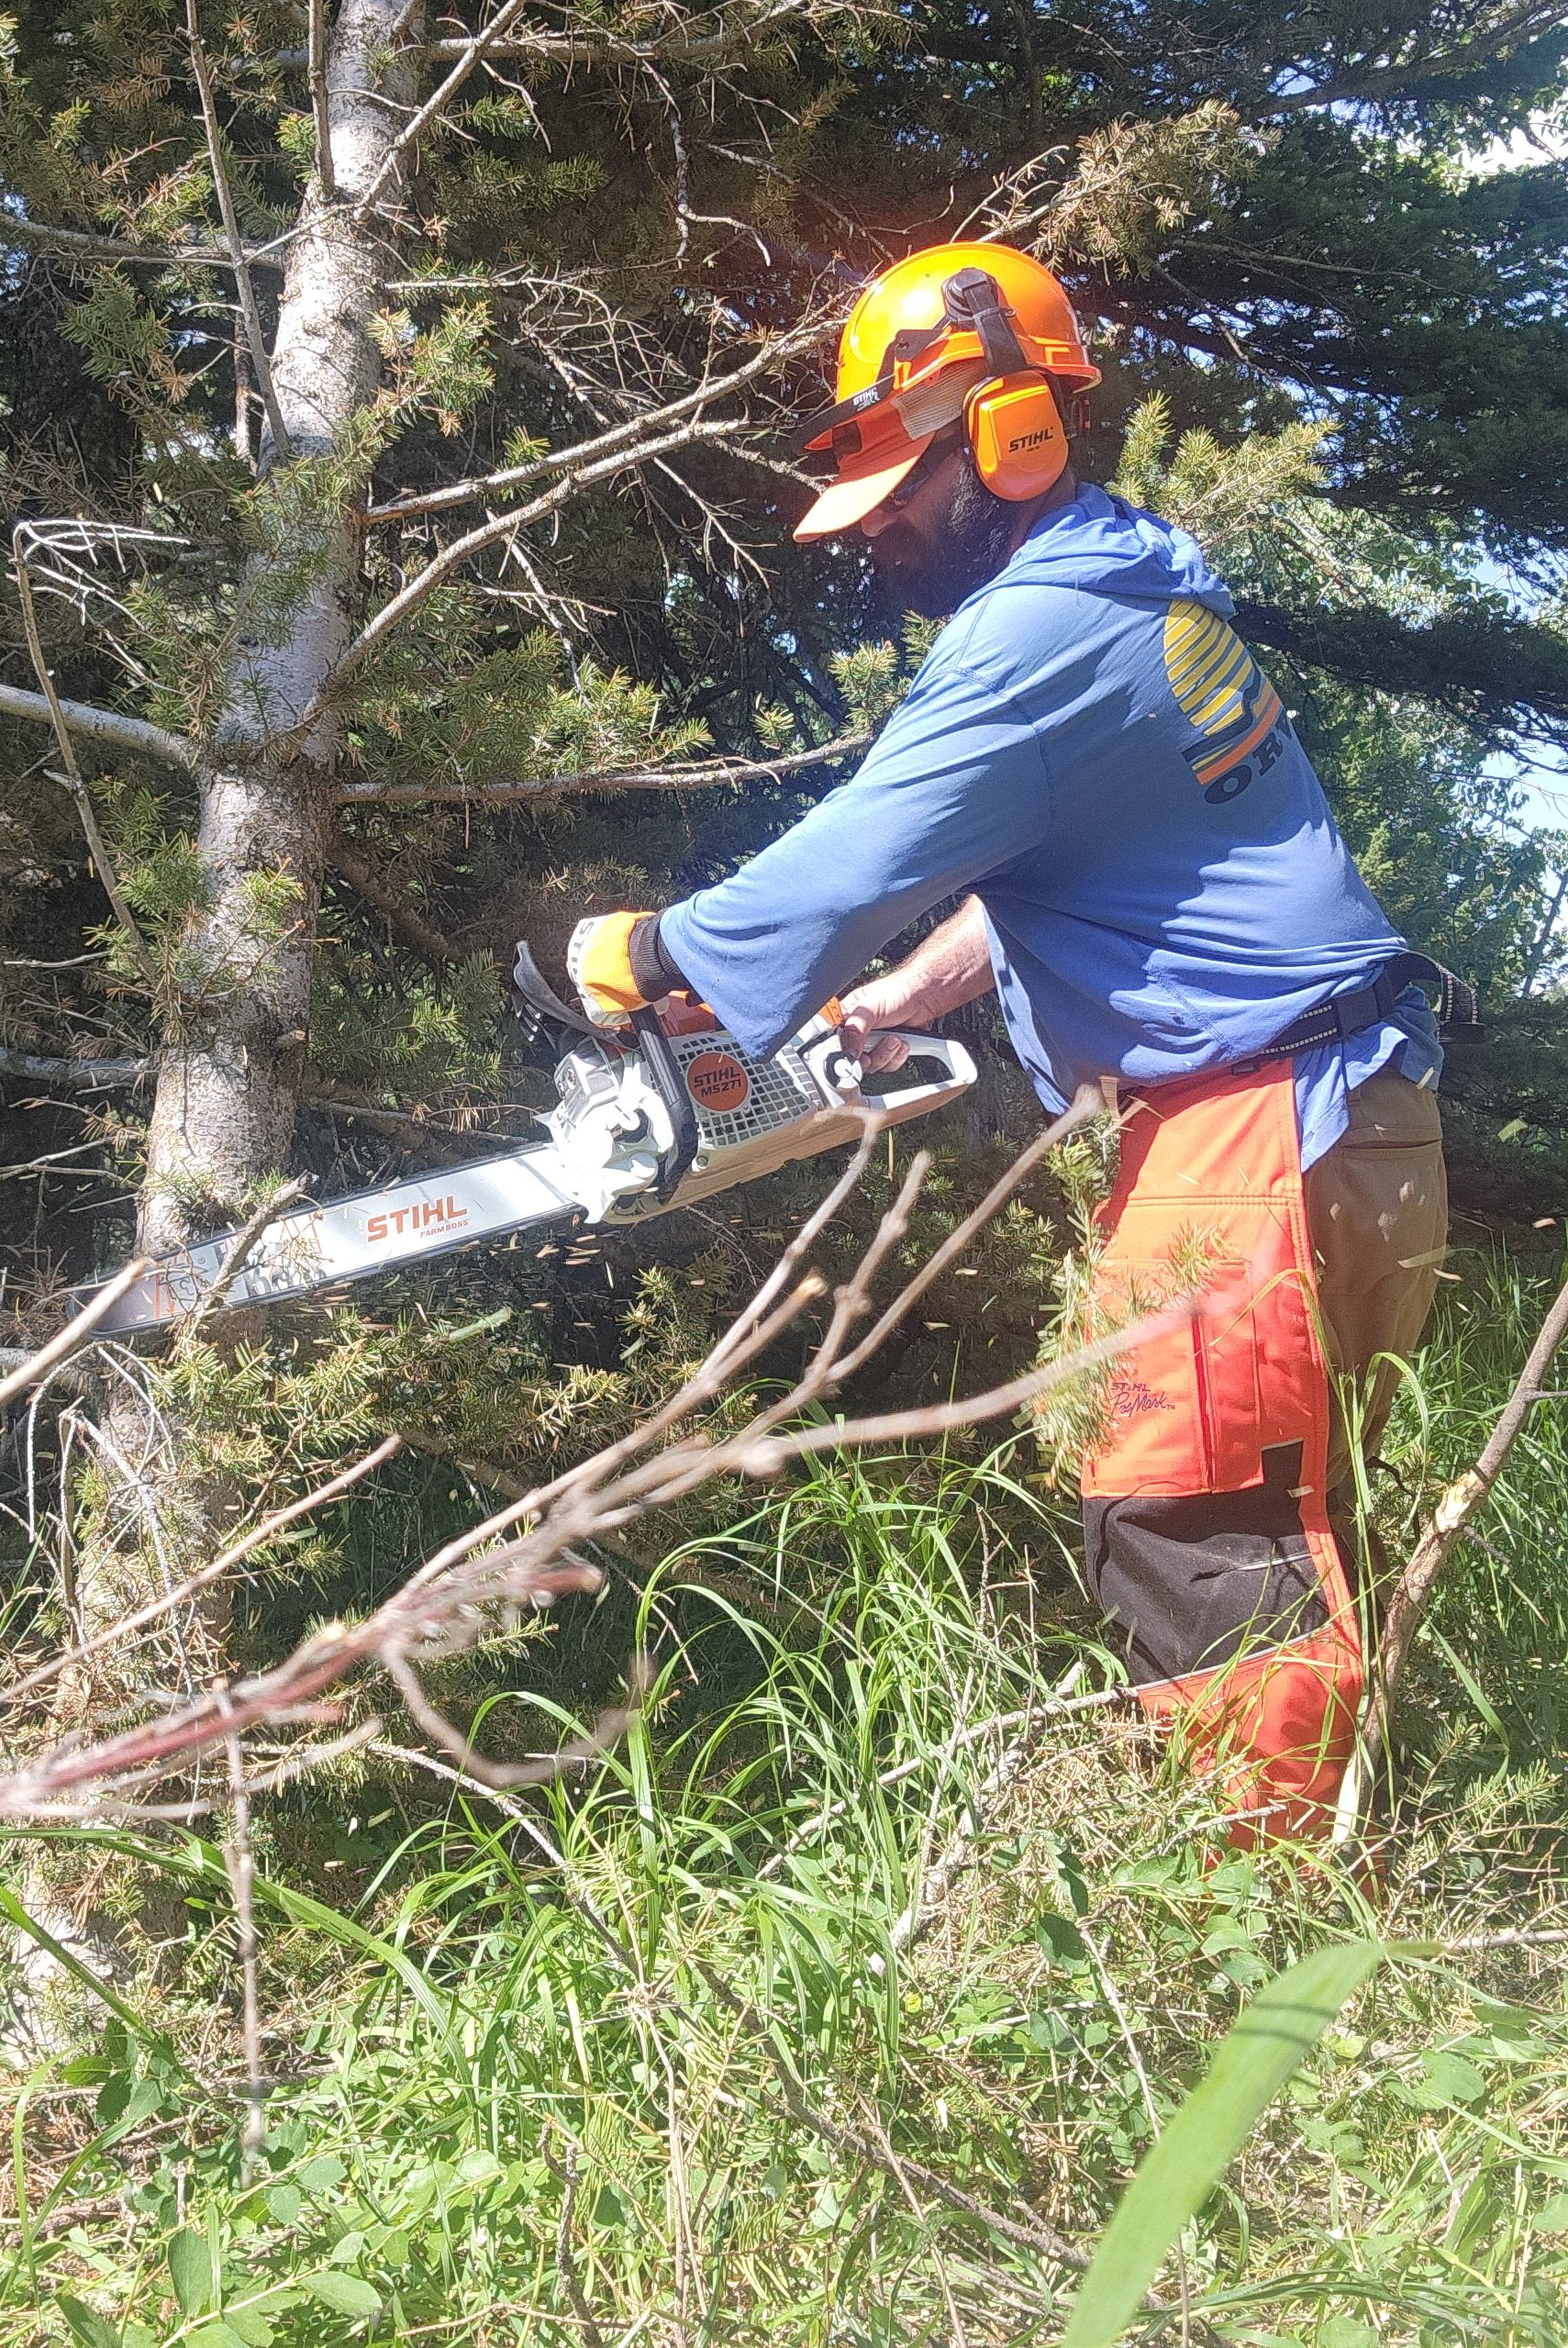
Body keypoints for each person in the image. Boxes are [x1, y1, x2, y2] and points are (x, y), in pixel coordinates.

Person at [562, 242, 1458, 1843]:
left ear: (1014, 432)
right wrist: (912, 994)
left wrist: (656, 958)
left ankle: (1266, 1946)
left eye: (906, 480)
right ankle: (1333, 1880)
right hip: (1358, 1120)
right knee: (1299, 1535)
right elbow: (1087, 865)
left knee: (1192, 1534)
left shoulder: (1034, 639)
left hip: (1246, 1135)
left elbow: (848, 862)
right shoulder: (1132, 587)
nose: (883, 525)